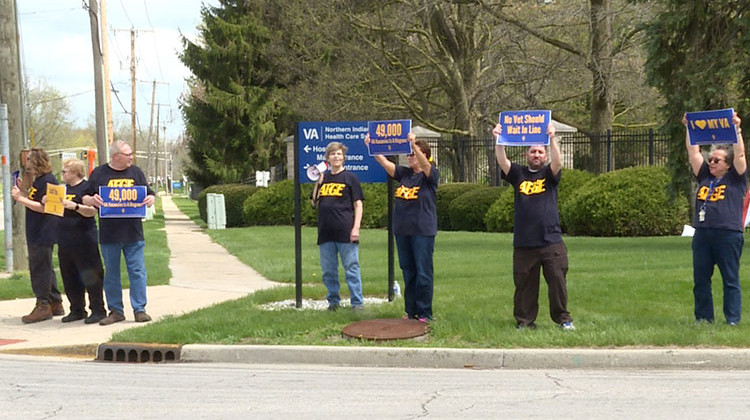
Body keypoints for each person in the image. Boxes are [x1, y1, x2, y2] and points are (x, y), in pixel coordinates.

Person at [494, 122, 575, 330]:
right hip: (524, 242)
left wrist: (553, 139)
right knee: (524, 286)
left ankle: (564, 320)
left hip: (551, 241)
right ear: (526, 154)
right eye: (533, 152)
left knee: (557, 283)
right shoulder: (518, 174)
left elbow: (559, 162)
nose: (536, 155)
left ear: (545, 156)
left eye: (540, 151)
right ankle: (525, 321)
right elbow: (502, 162)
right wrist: (499, 140)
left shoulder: (549, 175)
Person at [366, 132, 438, 322]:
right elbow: (386, 165)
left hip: (422, 231)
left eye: (414, 153)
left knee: (423, 272)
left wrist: (414, 144)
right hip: (402, 231)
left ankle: (425, 313)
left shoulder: (430, 176)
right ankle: (411, 311)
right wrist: (372, 148)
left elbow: (426, 166)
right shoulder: (405, 174)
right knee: (408, 271)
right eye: (409, 153)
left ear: (424, 155)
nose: (410, 156)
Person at [82, 140, 155, 326]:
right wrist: (92, 200)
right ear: (116, 156)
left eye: (131, 154)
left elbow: (149, 192)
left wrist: (150, 198)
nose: (131, 157)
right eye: (127, 154)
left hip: (133, 233)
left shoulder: (136, 172)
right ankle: (116, 311)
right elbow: (84, 196)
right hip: (109, 234)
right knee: (112, 274)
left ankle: (140, 310)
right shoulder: (99, 173)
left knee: (137, 271)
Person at [684, 112, 747, 325]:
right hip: (702, 234)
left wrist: (737, 129)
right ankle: (703, 319)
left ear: (727, 164)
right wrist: (689, 128)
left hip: (728, 234)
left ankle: (732, 320)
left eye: (716, 160)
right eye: (710, 159)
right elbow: (693, 152)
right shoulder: (705, 176)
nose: (711, 162)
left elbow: (739, 154)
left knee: (730, 280)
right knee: (701, 280)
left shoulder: (736, 178)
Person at [11, 148, 63, 323]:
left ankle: (42, 306)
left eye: (30, 159)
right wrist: (23, 191)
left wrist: (20, 199)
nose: (27, 161)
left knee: (39, 268)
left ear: (37, 161)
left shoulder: (49, 181)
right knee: (45, 266)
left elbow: (46, 207)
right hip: (36, 230)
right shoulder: (39, 181)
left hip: (43, 231)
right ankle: (55, 302)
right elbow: (35, 200)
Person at [311, 142, 365, 311]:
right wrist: (317, 183)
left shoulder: (350, 178)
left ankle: (357, 303)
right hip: (326, 232)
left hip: (345, 231)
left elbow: (358, 204)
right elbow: (314, 202)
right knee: (328, 271)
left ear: (343, 158)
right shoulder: (324, 178)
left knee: (351, 268)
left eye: (339, 154)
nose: (336, 157)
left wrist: (356, 228)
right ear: (327, 158)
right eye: (332, 154)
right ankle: (333, 301)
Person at [57, 158, 106, 324]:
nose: (62, 174)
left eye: (65, 171)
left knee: (90, 275)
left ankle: (98, 309)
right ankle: (77, 309)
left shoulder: (86, 188)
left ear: (75, 173)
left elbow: (92, 211)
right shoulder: (62, 189)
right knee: (69, 276)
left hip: (84, 239)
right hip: (65, 239)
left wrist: (75, 207)